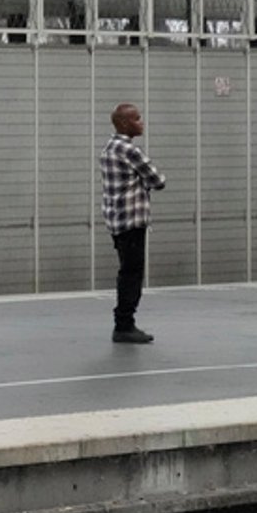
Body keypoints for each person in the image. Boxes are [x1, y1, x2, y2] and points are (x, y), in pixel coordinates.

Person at [101, 102, 166, 344]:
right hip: (132, 220)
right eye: (138, 118)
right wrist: (144, 182)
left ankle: (124, 322)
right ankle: (124, 324)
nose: (142, 122)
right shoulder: (130, 151)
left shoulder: (109, 147)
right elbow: (158, 180)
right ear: (126, 123)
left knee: (126, 270)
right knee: (132, 273)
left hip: (116, 219)